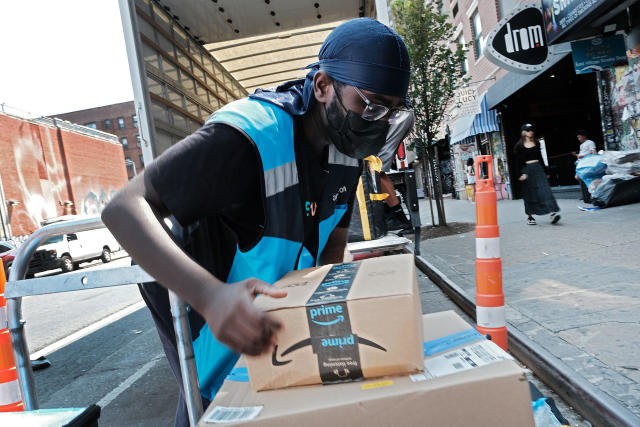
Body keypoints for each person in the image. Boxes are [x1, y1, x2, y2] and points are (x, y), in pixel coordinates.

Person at [101, 18, 412, 427]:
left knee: (275, 386)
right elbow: (122, 208)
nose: (379, 120)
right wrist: (210, 298)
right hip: (197, 284)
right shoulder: (248, 136)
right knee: (215, 397)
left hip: (258, 285)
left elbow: (332, 241)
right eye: (370, 104)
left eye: (391, 111)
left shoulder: (346, 147)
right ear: (322, 86)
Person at [514, 123, 561, 225]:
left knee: (545, 191)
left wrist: (546, 171)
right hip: (527, 170)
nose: (530, 132)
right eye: (528, 130)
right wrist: (520, 174)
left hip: (538, 169)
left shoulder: (536, 143)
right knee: (529, 193)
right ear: (524, 132)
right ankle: (530, 217)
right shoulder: (519, 146)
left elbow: (541, 158)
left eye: (531, 130)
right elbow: (518, 162)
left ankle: (552, 213)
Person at [377, 110, 415, 233]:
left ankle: (400, 219)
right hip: (399, 116)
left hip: (397, 116)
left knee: (374, 169)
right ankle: (393, 215)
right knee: (375, 170)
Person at [573, 129, 596, 203]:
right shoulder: (581, 145)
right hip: (581, 163)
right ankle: (585, 194)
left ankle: (588, 194)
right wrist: (578, 155)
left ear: (584, 136)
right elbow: (582, 154)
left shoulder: (590, 142)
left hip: (587, 163)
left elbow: (593, 152)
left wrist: (583, 156)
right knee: (578, 177)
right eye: (578, 137)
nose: (578, 139)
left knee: (581, 177)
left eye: (579, 137)